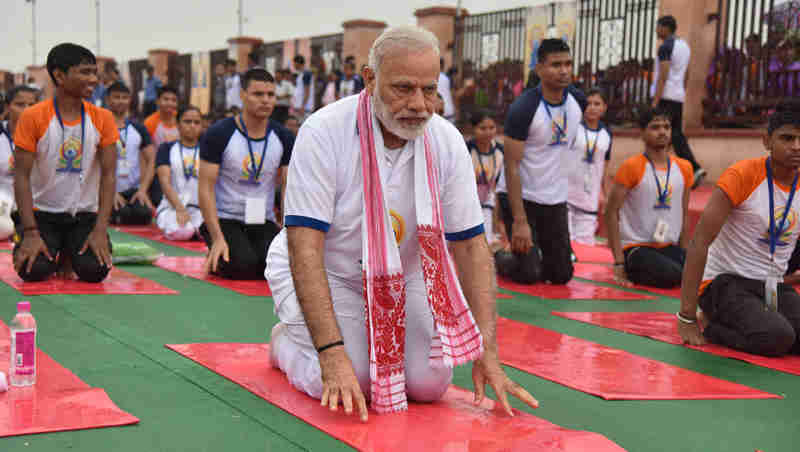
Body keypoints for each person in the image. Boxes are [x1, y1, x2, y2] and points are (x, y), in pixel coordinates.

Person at [265, 25, 538, 422]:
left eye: (429, 90)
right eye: (403, 88)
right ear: (370, 79)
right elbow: (305, 247)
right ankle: (286, 345)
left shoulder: (445, 141)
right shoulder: (324, 132)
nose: (418, 104)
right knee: (355, 379)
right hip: (329, 273)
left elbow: (470, 247)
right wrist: (330, 353)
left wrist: (487, 353)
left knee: (430, 384)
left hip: (402, 278)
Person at [678, 103, 800, 356]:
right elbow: (699, 241)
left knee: (788, 337)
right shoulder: (742, 176)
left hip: (770, 285)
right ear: (767, 141)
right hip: (723, 283)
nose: (797, 146)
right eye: (787, 138)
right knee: (778, 337)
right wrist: (686, 317)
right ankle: (711, 325)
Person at [12, 43, 117, 283]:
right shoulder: (33, 117)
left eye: (94, 72)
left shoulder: (103, 118)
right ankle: (49, 247)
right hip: (43, 215)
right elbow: (21, 177)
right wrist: (30, 232)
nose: (93, 79)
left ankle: (69, 250)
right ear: (59, 76)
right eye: (85, 72)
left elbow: (109, 176)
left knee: (94, 271)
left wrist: (100, 229)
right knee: (33, 270)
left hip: (84, 216)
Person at [495, 39, 586, 285]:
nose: (564, 70)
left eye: (568, 63)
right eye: (556, 65)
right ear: (539, 69)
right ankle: (497, 257)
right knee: (529, 275)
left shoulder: (579, 101)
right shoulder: (523, 108)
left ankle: (536, 253)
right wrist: (520, 222)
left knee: (561, 275)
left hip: (554, 197)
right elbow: (511, 166)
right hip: (520, 196)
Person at [198, 68, 294, 280]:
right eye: (258, 94)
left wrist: (287, 235)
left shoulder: (284, 137)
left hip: (261, 218)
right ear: (242, 95)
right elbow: (205, 188)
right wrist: (217, 237)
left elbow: (288, 187)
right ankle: (214, 248)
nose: (266, 101)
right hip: (224, 218)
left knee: (274, 269)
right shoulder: (219, 134)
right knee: (242, 266)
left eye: (270, 95)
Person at [605, 107, 692, 288]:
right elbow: (611, 212)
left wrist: (685, 253)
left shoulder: (685, 168)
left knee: (702, 270)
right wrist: (619, 262)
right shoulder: (632, 167)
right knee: (672, 275)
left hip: (669, 246)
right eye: (655, 127)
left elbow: (684, 212)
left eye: (666, 127)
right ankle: (632, 267)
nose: (662, 132)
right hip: (637, 248)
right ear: (642, 133)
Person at [651, 15, 706, 188]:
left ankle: (689, 167)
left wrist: (655, 101)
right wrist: (680, 89)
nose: (656, 30)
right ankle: (687, 168)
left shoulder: (666, 46)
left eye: (658, 26)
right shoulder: (684, 46)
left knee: (661, 133)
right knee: (674, 134)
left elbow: (663, 75)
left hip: (666, 96)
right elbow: (687, 73)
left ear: (665, 28)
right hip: (677, 95)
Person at [106, 82, 156, 225]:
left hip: (134, 190)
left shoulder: (138, 128)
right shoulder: (100, 127)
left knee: (144, 215)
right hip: (110, 189)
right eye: (116, 97)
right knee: (122, 215)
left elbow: (152, 159)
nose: (121, 101)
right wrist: (109, 192)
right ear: (107, 100)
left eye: (125, 97)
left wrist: (143, 190)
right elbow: (93, 163)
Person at [567, 88, 612, 245]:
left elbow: (604, 168)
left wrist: (606, 197)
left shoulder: (607, 135)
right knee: (564, 245)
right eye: (589, 103)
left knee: (586, 246)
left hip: (589, 200)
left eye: (597, 104)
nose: (592, 107)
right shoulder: (573, 128)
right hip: (566, 196)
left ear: (604, 108)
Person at [155, 106, 203, 240]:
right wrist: (180, 208)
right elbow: (164, 182)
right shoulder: (166, 149)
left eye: (196, 122)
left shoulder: (207, 151)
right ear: (178, 124)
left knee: (207, 233)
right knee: (182, 233)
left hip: (199, 209)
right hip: (172, 207)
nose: (192, 126)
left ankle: (197, 230)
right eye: (187, 121)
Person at [0, 86, 38, 239]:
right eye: (20, 104)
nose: (27, 110)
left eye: (31, 105)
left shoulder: (46, 135)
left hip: (33, 204)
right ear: (8, 107)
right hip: (3, 201)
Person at [466, 110, 504, 247]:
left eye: (492, 128)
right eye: (482, 128)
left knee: (486, 242)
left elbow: (497, 186)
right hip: (465, 204)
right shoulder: (465, 150)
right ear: (473, 129)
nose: (488, 132)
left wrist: (496, 221)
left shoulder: (500, 151)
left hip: (486, 202)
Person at [291, 55, 315, 122]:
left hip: (304, 108)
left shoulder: (306, 74)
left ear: (298, 63)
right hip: (299, 106)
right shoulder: (300, 74)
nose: (293, 65)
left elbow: (307, 92)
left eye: (294, 63)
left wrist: (303, 106)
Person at [437, 58, 456, 122]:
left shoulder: (430, 77)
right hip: (449, 112)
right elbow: (453, 95)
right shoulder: (447, 78)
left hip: (438, 111)